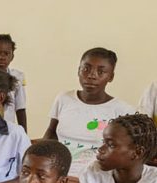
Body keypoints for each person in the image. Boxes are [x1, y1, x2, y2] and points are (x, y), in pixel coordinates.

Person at [43, 47, 134, 176]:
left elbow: (124, 152)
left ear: (111, 77)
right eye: (86, 69)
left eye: (101, 71)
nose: (91, 75)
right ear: (78, 71)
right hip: (59, 173)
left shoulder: (123, 110)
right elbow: (51, 133)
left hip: (98, 177)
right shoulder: (64, 98)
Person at [0, 34, 27, 130]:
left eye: (6, 53)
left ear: (12, 56)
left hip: (8, 129)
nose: (2, 57)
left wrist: (24, 135)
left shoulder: (18, 77)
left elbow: (20, 108)